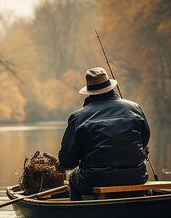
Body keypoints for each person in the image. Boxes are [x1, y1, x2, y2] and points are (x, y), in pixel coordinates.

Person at [58, 67, 150, 200]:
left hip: (94, 179)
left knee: (73, 177)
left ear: (89, 91)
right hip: (137, 176)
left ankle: (78, 215)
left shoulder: (78, 117)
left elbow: (67, 160)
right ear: (110, 87)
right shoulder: (135, 108)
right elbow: (144, 140)